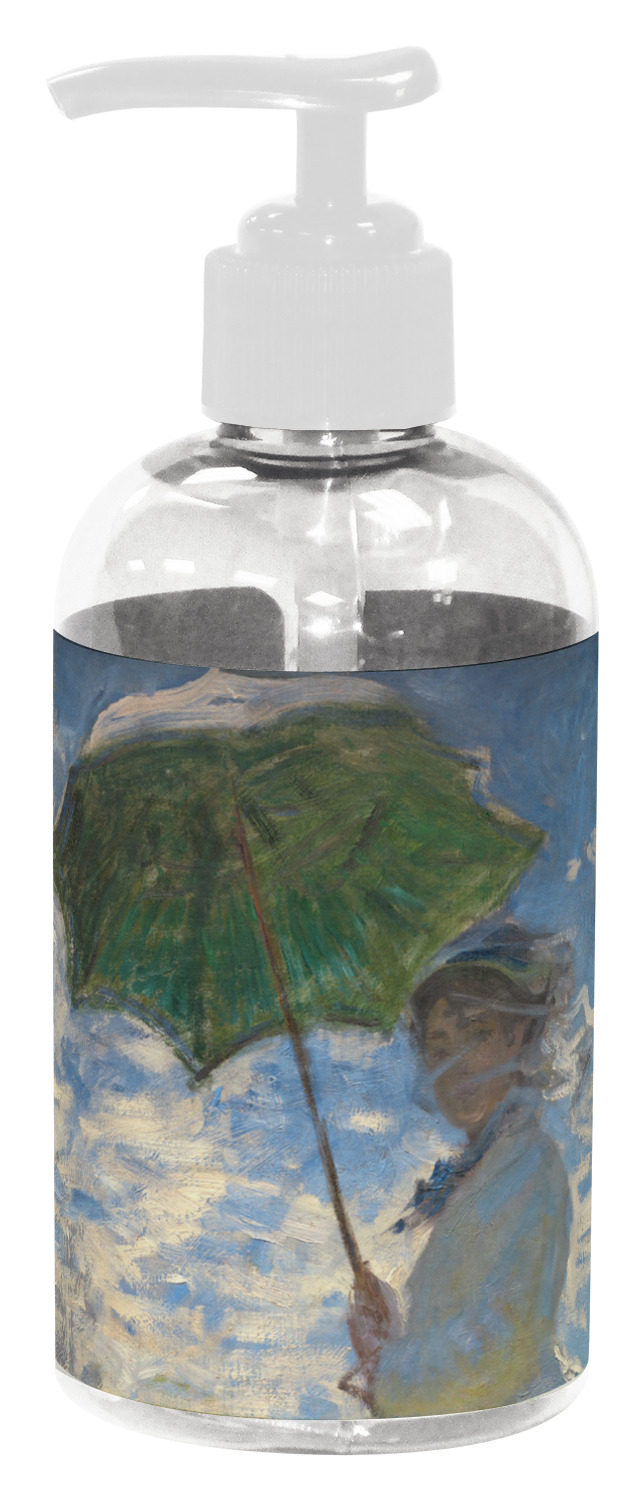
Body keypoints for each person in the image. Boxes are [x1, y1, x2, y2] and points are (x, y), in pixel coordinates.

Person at [344, 939, 572, 1416]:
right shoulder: (482, 1172)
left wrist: (384, 1366)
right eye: (439, 1048)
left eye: (477, 1035)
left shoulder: (530, 1165)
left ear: (516, 1036)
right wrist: (391, 1329)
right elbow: (456, 1328)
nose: (455, 1068)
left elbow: (495, 1356)